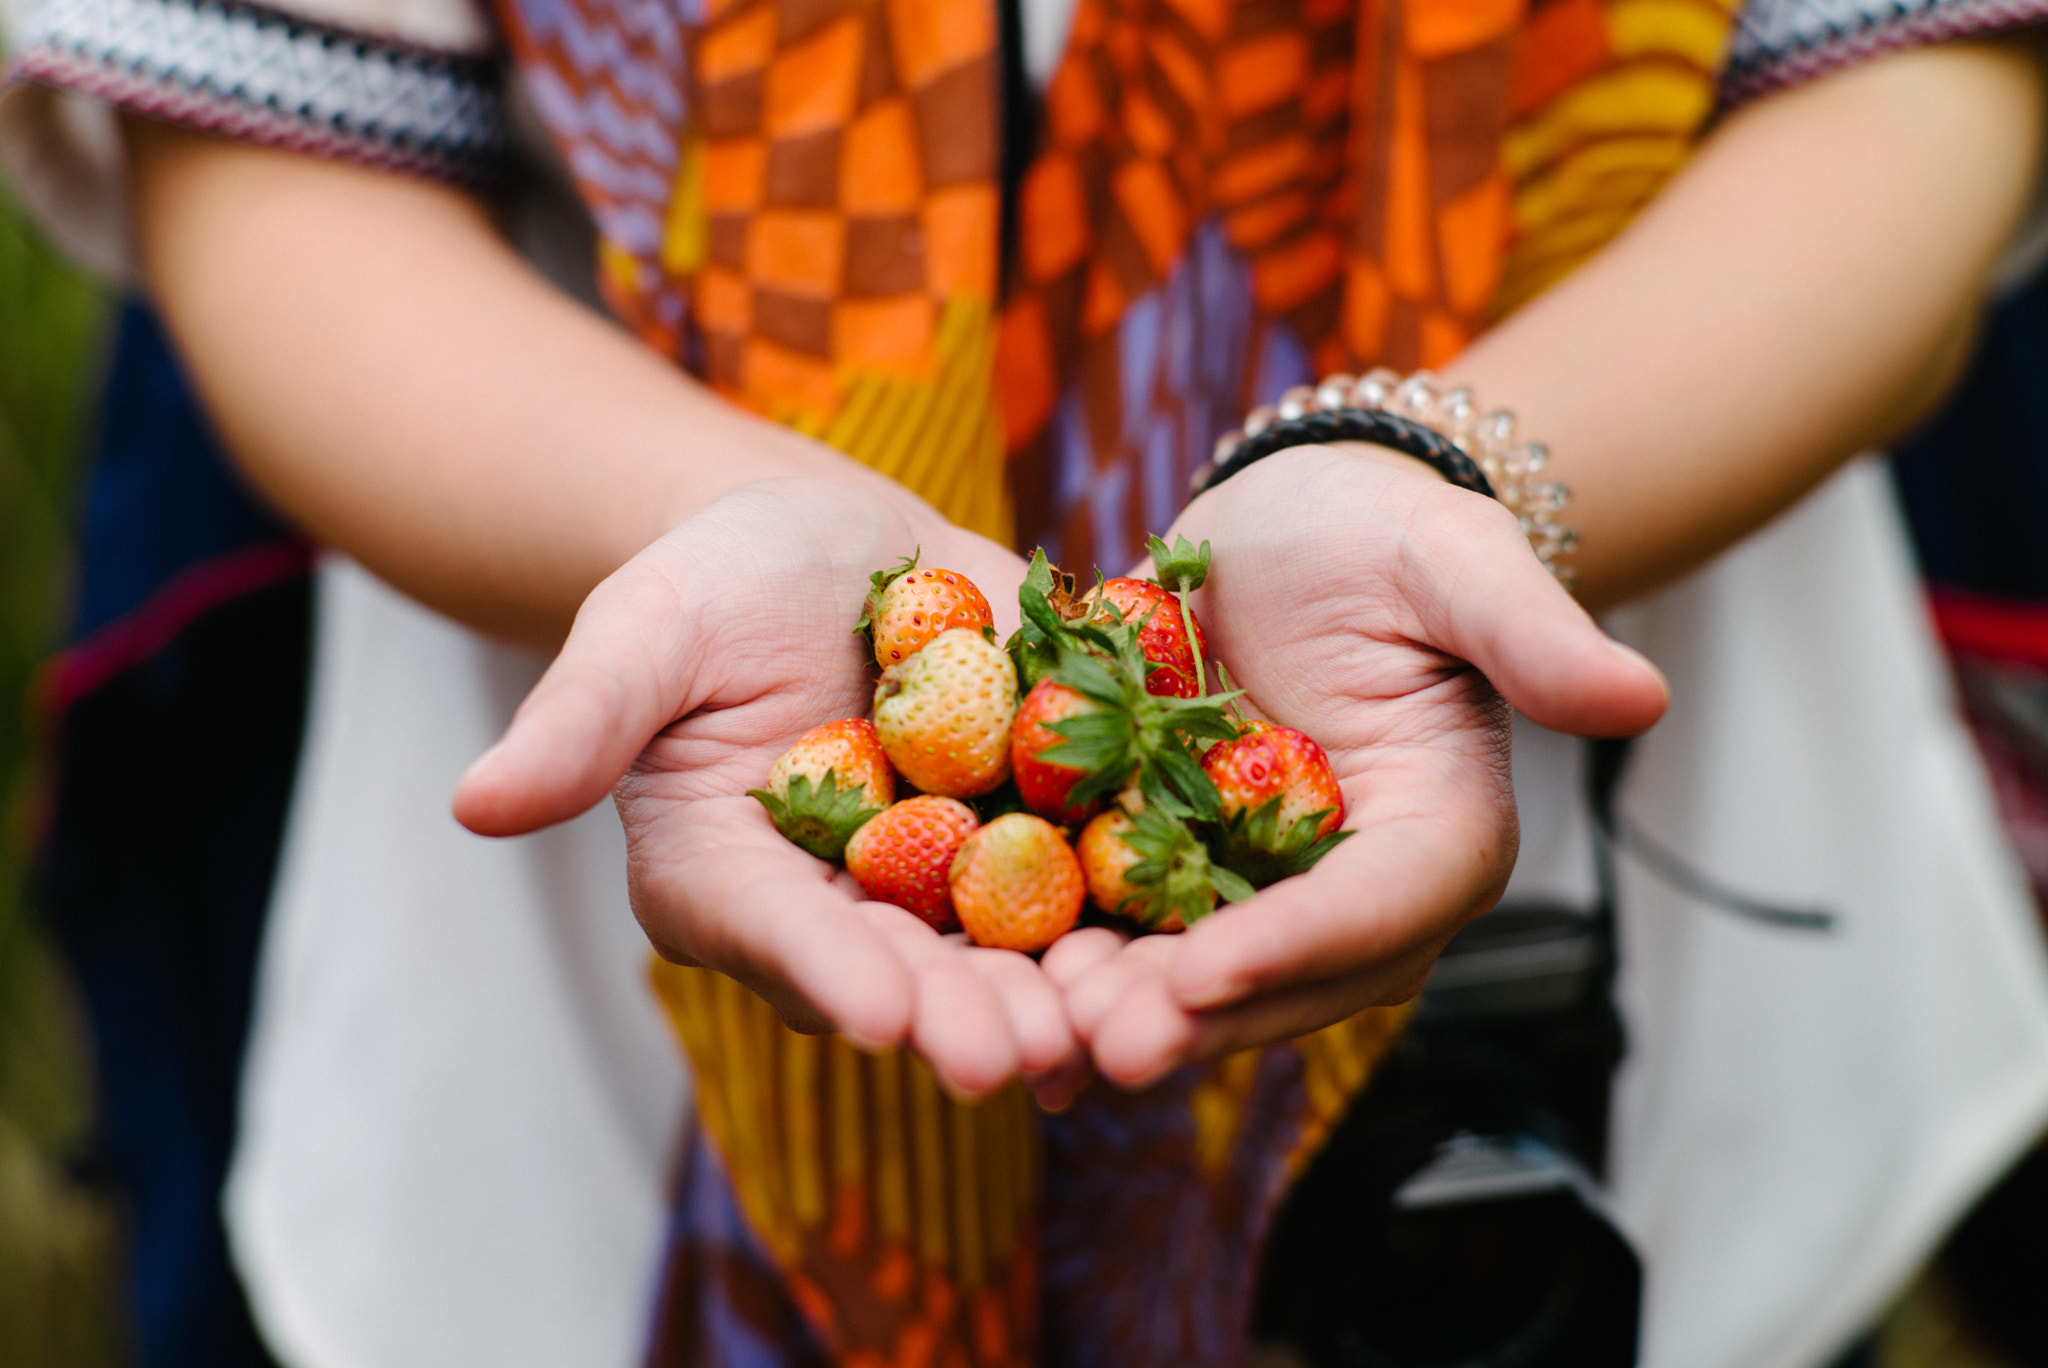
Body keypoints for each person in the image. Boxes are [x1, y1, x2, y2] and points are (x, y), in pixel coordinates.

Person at [4, 2, 2048, 1368]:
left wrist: (1454, 473)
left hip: (1626, 973)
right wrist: (709, 515)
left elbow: (1921, 76)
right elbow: (276, 160)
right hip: (592, 1037)